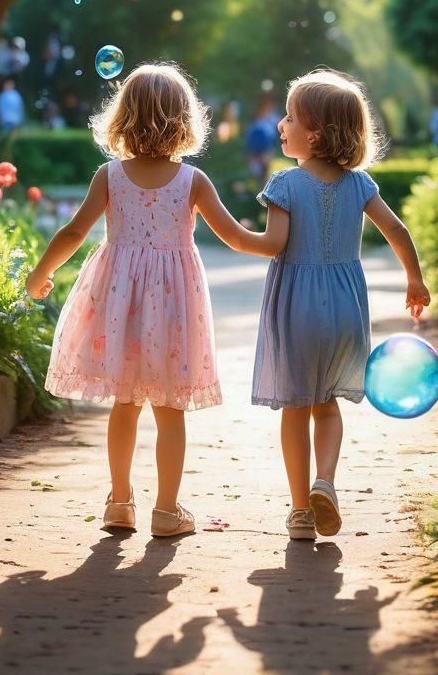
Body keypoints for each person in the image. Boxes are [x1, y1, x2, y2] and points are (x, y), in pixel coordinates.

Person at [24, 63, 276, 537]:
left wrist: (42, 272)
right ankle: (165, 510)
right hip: (174, 306)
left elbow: (74, 232)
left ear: (122, 118)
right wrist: (277, 243)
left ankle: (120, 502)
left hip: (120, 303)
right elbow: (237, 238)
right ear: (185, 120)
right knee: (170, 408)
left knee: (125, 403)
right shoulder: (192, 181)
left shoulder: (110, 176)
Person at [250, 69, 431, 541]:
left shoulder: (285, 184)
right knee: (327, 405)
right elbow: (397, 230)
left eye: (290, 117)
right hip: (347, 308)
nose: (281, 125)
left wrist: (228, 232)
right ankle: (325, 483)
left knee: (295, 407)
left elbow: (273, 244)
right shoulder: (360, 185)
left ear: (314, 134)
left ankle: (299, 512)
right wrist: (414, 278)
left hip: (298, 308)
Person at [245, 97, 280, 178]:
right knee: (257, 174)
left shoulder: (271, 120)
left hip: (265, 151)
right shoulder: (257, 123)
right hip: (257, 152)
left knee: (266, 173)